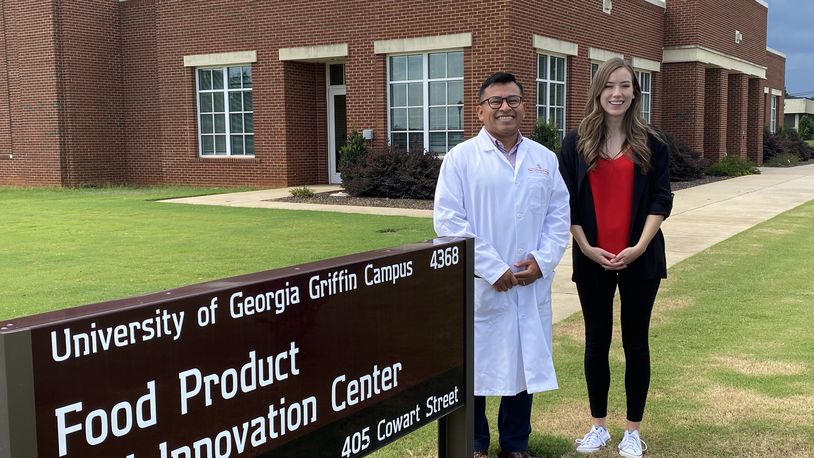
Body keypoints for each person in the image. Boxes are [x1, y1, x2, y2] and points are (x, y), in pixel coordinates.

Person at [434, 72, 570, 458]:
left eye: (512, 100)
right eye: (495, 101)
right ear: (480, 111)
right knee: (475, 365)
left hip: (529, 283)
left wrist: (541, 263)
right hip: (482, 284)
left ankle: (514, 445)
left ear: (525, 107)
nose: (505, 107)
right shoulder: (460, 159)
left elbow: (559, 217)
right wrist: (493, 269)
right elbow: (449, 221)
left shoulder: (545, 159)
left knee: (523, 365)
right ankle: (475, 444)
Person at [558, 57, 673, 458]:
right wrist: (587, 247)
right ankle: (598, 427)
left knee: (635, 343)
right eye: (609, 86)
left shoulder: (652, 142)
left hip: (640, 257)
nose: (617, 93)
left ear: (635, 93)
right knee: (596, 342)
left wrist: (639, 246)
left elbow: (661, 198)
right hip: (592, 257)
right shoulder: (575, 141)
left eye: (625, 86)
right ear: (598, 91)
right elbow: (566, 202)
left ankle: (632, 432)